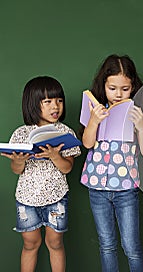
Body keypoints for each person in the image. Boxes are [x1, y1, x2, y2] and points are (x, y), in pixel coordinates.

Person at [1, 76, 81, 271]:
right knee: (30, 243)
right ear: (33, 104)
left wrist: (55, 156)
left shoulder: (65, 133)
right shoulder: (21, 133)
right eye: (48, 102)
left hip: (56, 197)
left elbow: (67, 168)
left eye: (59, 101)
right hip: (26, 198)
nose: (55, 106)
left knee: (55, 243)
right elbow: (16, 170)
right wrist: (18, 161)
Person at [80, 54, 143, 272]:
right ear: (104, 85)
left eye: (125, 88)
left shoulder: (136, 114)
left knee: (131, 247)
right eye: (112, 88)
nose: (118, 94)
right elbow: (87, 143)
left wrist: (142, 126)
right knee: (107, 246)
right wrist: (93, 121)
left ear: (133, 88)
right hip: (97, 188)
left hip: (126, 190)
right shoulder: (97, 110)